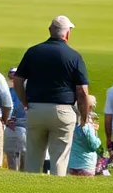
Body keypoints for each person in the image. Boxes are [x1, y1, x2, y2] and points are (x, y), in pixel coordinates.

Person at [13, 15, 90, 176]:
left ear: (50, 30)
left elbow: (18, 80)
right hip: (63, 111)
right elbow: (82, 91)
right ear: (67, 34)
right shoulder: (74, 56)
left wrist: (25, 102)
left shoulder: (33, 52)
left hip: (36, 109)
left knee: (33, 158)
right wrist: (84, 115)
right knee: (59, 159)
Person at [67, 95, 105, 176]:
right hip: (86, 164)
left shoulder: (71, 122)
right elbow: (93, 145)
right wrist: (96, 136)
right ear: (90, 107)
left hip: (72, 163)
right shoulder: (86, 126)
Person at [3, 66, 28, 171]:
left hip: (11, 129)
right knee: (23, 167)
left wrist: (7, 120)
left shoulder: (6, 92)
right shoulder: (25, 91)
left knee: (13, 167)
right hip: (22, 129)